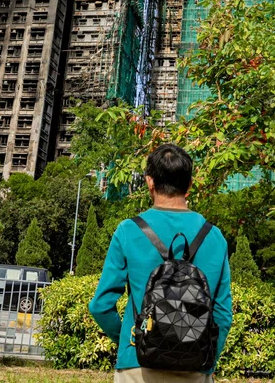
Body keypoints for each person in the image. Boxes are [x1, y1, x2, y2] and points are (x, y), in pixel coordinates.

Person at [89, 143, 233, 383]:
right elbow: (223, 314)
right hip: (195, 367)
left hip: (137, 367)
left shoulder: (128, 231)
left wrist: (133, 341)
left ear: (149, 182)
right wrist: (207, 357)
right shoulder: (214, 237)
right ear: (189, 185)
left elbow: (100, 306)